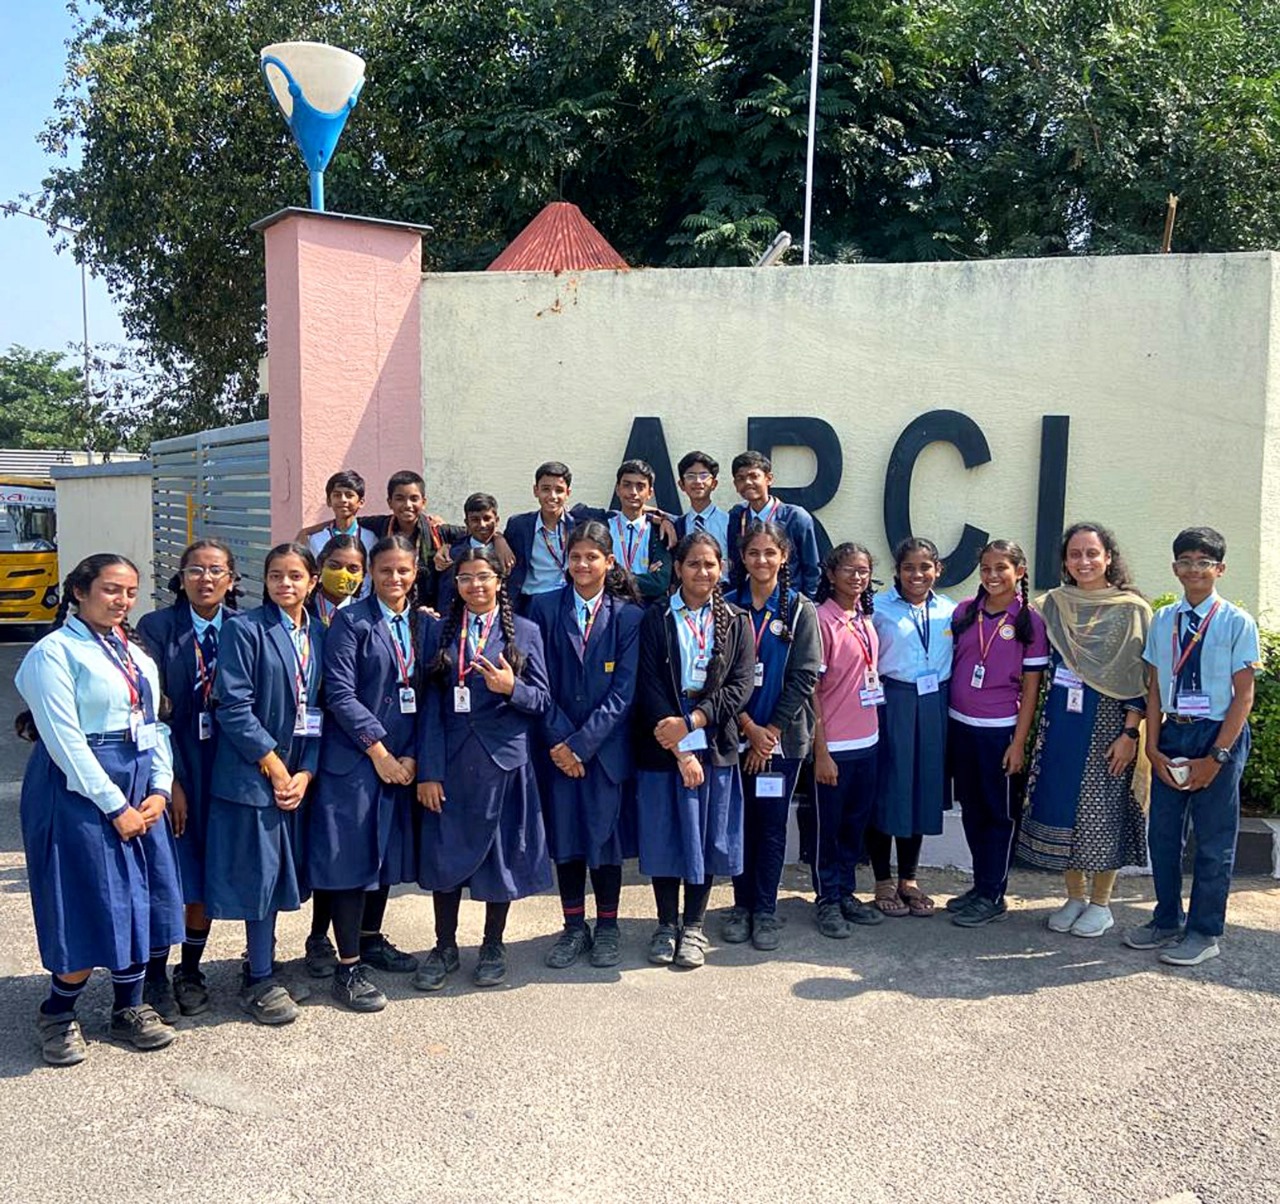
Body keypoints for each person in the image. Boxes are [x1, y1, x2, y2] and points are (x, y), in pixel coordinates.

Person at [16, 554, 183, 1064]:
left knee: (142, 894)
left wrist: (160, 787)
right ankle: (57, 1012)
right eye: (111, 589)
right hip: (78, 790)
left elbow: (152, 724)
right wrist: (115, 806)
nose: (122, 601)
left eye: (130, 591)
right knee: (85, 896)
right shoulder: (53, 654)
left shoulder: (135, 653)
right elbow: (64, 742)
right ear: (79, 591)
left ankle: (129, 1005)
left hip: (138, 782)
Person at [414, 546, 553, 989]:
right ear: (456, 584)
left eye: (483, 577)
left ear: (499, 581)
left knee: (500, 855)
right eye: (465, 578)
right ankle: (445, 946)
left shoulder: (526, 632)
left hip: (503, 760)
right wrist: (428, 771)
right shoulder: (440, 632)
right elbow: (429, 709)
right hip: (452, 761)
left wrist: (512, 688)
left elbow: (542, 700)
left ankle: (493, 943)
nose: (475, 585)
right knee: (446, 854)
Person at [1125, 527, 1259, 966]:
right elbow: (1155, 689)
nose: (1194, 569)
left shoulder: (1237, 622)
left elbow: (1244, 696)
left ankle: (1204, 931)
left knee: (1213, 839)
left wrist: (1217, 757)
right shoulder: (1165, 620)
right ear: (1174, 568)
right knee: (1163, 834)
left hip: (1218, 733)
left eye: (1204, 562)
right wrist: (1152, 748)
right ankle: (1166, 919)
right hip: (1174, 732)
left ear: (1220, 569)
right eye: (1186, 561)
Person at [205, 543, 325, 1025]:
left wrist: (306, 771)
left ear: (312, 582)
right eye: (276, 575)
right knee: (260, 878)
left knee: (279, 877)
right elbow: (233, 706)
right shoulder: (245, 629)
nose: (285, 584)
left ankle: (265, 964)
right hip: (253, 776)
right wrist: (276, 767)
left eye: (295, 576)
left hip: (295, 774)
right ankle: (258, 979)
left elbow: (317, 709)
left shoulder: (317, 632)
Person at [1017, 522, 1151, 938]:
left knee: (1101, 811)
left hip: (1109, 726)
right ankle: (1075, 897)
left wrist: (1130, 734)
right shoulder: (1053, 606)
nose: (1084, 561)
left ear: (1108, 557)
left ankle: (1101, 904)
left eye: (1092, 553)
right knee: (1062, 808)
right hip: (1062, 724)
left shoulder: (1132, 610)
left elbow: (1143, 679)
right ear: (1065, 561)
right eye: (1075, 554)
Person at [310, 535, 424, 1013]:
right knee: (350, 863)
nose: (394, 578)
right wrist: (379, 751)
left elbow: (428, 693)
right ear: (370, 575)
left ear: (414, 573)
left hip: (402, 759)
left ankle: (371, 938)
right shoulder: (351, 622)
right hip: (355, 760)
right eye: (385, 570)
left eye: (403, 570)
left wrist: (411, 755)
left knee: (384, 858)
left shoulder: (422, 624)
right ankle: (348, 966)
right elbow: (339, 694)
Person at [633, 531, 754, 969]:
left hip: (713, 735)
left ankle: (695, 926)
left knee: (706, 836)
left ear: (722, 569)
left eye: (710, 564)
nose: (702, 571)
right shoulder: (656, 617)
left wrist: (694, 722)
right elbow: (647, 682)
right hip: (662, 735)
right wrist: (680, 747)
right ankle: (666, 925)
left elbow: (740, 687)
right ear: (678, 568)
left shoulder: (737, 620)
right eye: (693, 564)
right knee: (665, 834)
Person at [529, 521, 643, 969]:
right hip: (556, 750)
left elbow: (623, 692)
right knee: (568, 840)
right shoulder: (543, 608)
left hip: (604, 752)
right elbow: (537, 680)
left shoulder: (628, 617)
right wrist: (562, 742)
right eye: (575, 556)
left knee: (605, 841)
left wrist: (582, 745)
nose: (582, 564)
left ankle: (609, 926)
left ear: (609, 562)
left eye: (591, 557)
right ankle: (574, 926)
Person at [135, 538, 239, 1019]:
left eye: (216, 570)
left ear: (231, 580)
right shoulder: (157, 628)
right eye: (195, 570)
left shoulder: (242, 627)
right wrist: (170, 780)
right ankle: (155, 973)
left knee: (208, 870)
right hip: (174, 760)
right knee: (171, 870)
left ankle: (191, 969)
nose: (206, 578)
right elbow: (149, 709)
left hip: (226, 764)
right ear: (181, 578)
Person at [722, 521, 821, 950]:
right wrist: (749, 727)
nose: (761, 560)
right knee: (740, 823)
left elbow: (804, 677)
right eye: (753, 553)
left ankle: (764, 909)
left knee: (771, 825)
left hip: (782, 740)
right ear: (742, 559)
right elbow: (718, 675)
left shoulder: (799, 609)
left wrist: (771, 733)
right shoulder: (728, 606)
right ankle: (741, 906)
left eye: (770, 553)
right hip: (736, 735)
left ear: (784, 557)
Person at [946, 540, 1050, 928]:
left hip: (1000, 733)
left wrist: (1018, 744)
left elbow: (1032, 689)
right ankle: (979, 886)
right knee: (972, 811)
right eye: (986, 568)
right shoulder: (964, 612)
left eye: (1001, 568)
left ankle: (993, 894)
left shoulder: (1029, 622)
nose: (992, 576)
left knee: (998, 814)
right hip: (961, 726)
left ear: (1019, 572)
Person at [868, 537, 956, 917]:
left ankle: (909, 878)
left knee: (920, 789)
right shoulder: (877, 608)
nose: (917, 575)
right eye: (908, 567)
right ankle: (882, 878)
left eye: (925, 567)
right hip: (893, 702)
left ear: (938, 570)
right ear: (897, 571)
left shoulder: (950, 611)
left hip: (934, 704)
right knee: (888, 788)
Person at [809, 542, 887, 937]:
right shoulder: (821, 620)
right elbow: (812, 692)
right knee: (829, 828)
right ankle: (826, 898)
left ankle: (845, 892)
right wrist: (821, 751)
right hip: (834, 747)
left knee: (855, 825)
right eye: (848, 570)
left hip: (867, 742)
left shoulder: (864, 618)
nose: (857, 577)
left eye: (863, 571)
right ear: (830, 574)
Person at [298, 533, 367, 979]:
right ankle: (264, 953)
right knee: (304, 845)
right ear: (319, 567)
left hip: (347, 745)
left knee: (336, 846)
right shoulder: (301, 613)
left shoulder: (365, 616)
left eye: (354, 568)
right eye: (336, 565)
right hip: (299, 742)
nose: (344, 575)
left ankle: (324, 936)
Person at [725, 451, 821, 598]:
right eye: (741, 478)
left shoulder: (795, 518)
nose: (748, 482)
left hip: (787, 600)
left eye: (754, 476)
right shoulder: (737, 516)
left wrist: (806, 604)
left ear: (769, 479)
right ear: (736, 485)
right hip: (749, 601)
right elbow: (735, 567)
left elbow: (812, 570)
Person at [300, 470, 378, 594]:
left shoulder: (371, 538)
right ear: (329, 501)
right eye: (337, 495)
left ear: (361, 502)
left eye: (349, 495)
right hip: (324, 604)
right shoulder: (316, 539)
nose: (343, 500)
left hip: (362, 602)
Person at [609, 458, 674, 606]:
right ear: (618, 489)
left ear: (650, 493)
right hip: (609, 606)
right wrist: (644, 577)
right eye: (627, 485)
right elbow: (597, 575)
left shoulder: (660, 532)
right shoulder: (603, 527)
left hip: (647, 608)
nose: (633, 492)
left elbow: (659, 583)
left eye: (640, 486)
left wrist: (613, 576)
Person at [435, 491, 501, 614]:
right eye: (475, 520)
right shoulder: (453, 554)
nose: (482, 524)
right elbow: (446, 594)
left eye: (487, 518)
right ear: (467, 523)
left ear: (497, 520)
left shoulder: (507, 551)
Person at [674, 450, 730, 564]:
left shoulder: (729, 522)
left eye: (704, 476)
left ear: (714, 484)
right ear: (681, 485)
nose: (698, 481)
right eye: (690, 476)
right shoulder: (678, 525)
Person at [308, 534, 366, 628]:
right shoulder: (301, 608)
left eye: (353, 569)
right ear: (321, 566)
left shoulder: (367, 616)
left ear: (363, 575)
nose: (342, 574)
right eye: (334, 566)